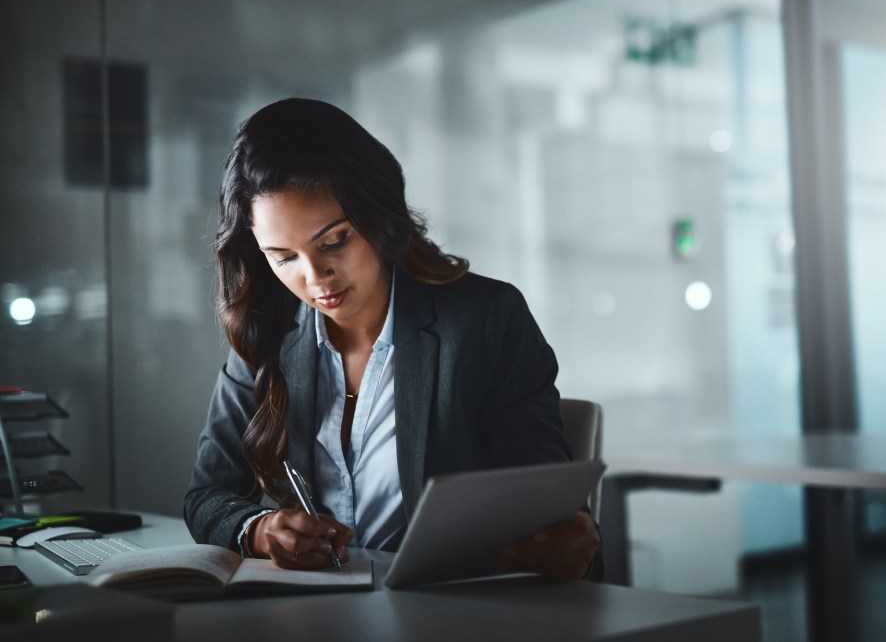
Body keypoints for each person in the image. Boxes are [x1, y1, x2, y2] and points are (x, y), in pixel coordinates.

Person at [184, 98, 602, 582]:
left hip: (449, 608)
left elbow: (552, 512)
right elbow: (207, 496)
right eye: (283, 257)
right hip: (315, 610)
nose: (315, 277)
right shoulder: (270, 331)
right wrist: (259, 530)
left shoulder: (485, 320)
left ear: (378, 216)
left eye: (334, 241)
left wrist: (569, 540)